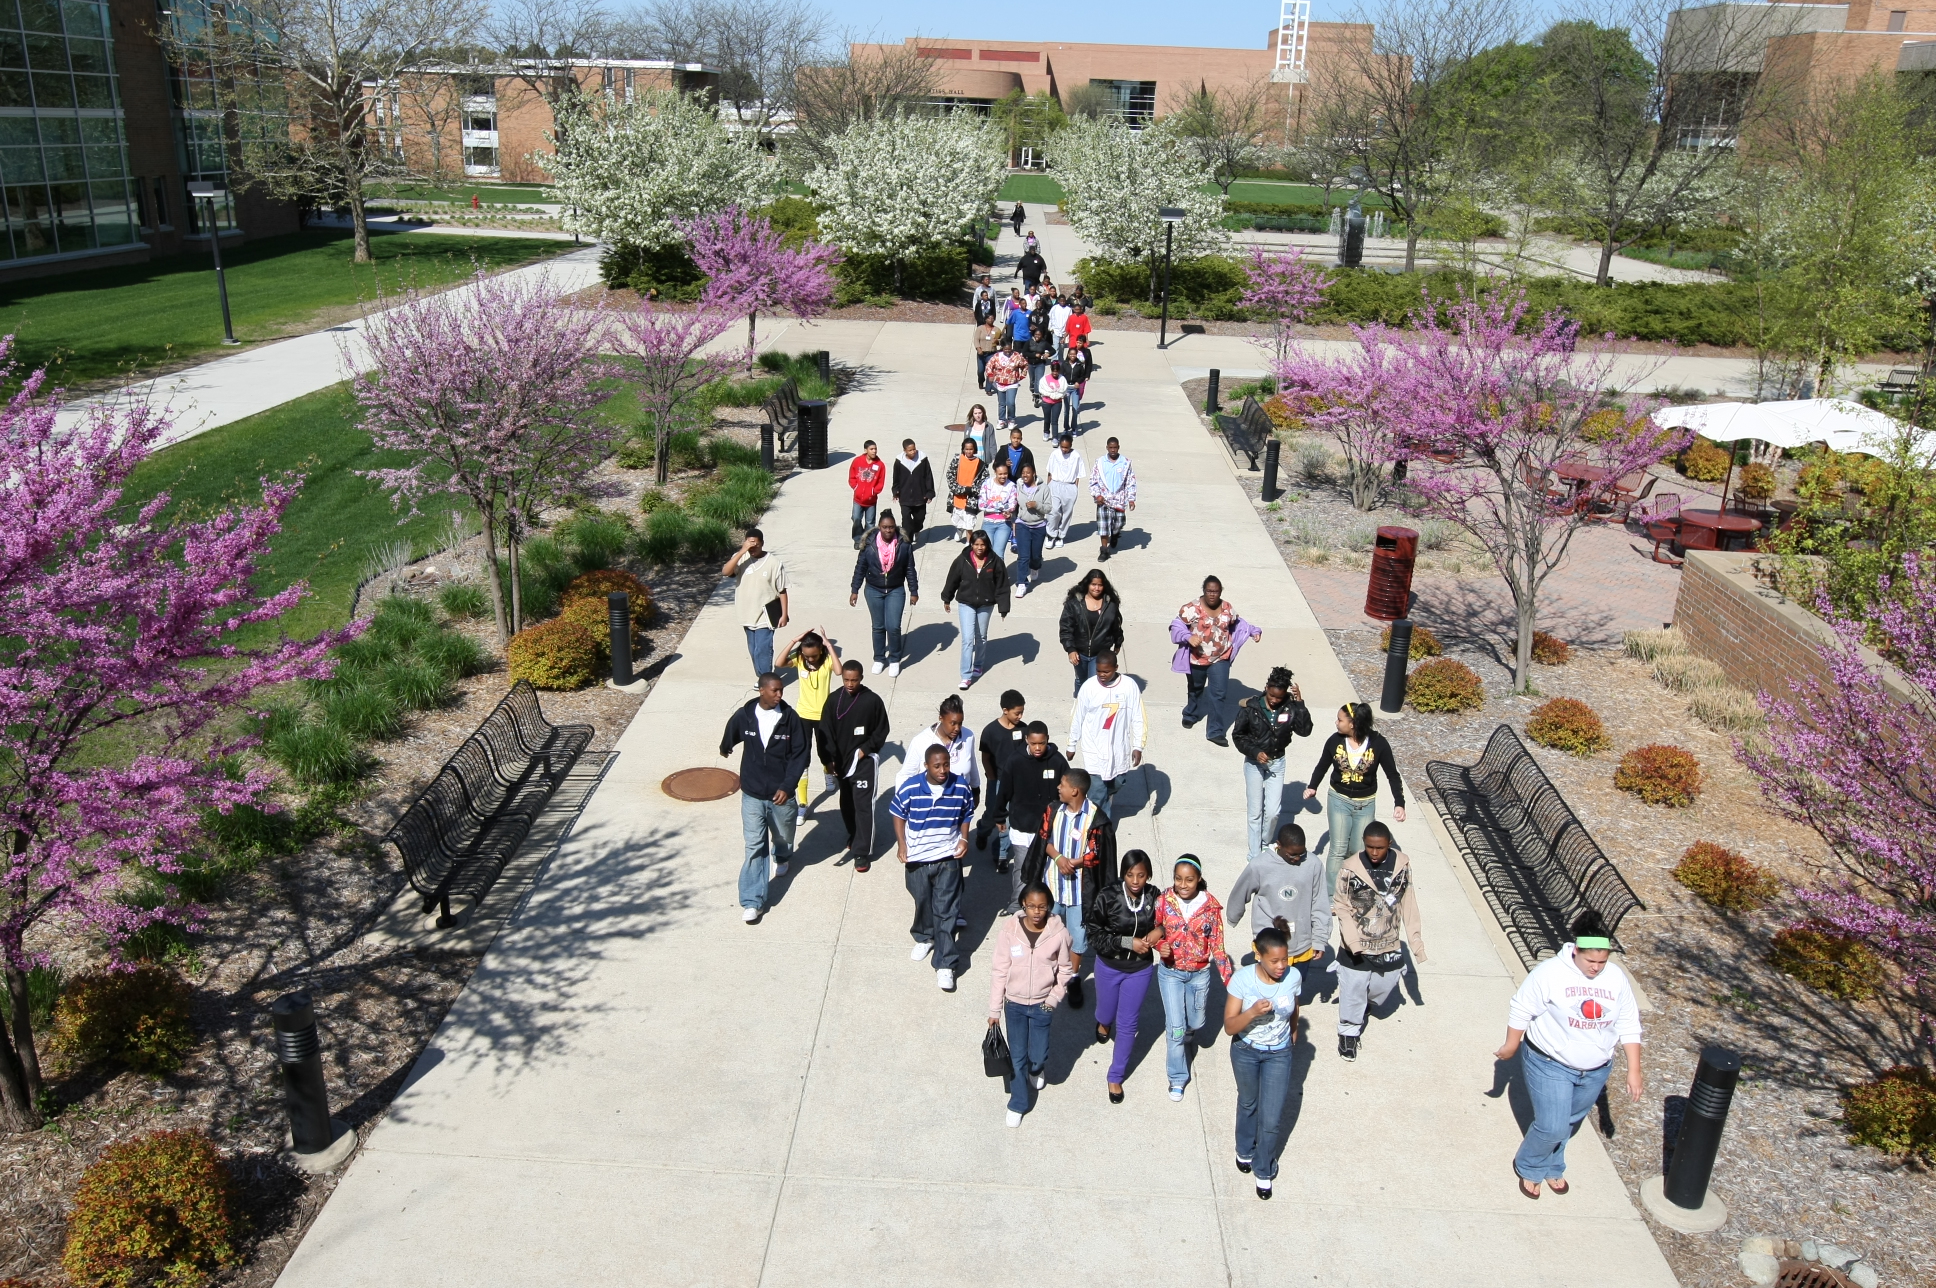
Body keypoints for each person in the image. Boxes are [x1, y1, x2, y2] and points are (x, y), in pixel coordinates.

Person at [1497, 909, 1644, 1200]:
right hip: (1549, 1062)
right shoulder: (1550, 973)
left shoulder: (1615, 978)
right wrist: (1511, 1045)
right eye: (1590, 961)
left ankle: (1553, 1163)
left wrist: (1634, 1070)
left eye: (1602, 962)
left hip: (1595, 1069)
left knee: (1569, 1121)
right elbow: (1522, 1007)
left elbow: (1629, 1023)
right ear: (1575, 950)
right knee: (1551, 1125)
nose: (1596, 968)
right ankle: (1529, 1165)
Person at [1021, 766, 1116, 1009]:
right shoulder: (1053, 811)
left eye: (1062, 784)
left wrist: (1075, 862)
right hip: (1052, 886)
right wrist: (1059, 859)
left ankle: (1071, 979)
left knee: (1077, 938)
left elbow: (1097, 854)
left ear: (1075, 790)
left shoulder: (1096, 819)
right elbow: (1044, 839)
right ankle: (1046, 971)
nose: (1058, 788)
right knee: (1047, 931)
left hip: (1079, 894)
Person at [718, 673, 808, 924]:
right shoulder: (745, 716)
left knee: (783, 836)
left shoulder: (790, 719)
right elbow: (732, 732)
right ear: (761, 691)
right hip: (752, 794)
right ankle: (752, 901)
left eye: (781, 690)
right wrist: (726, 746)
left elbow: (800, 755)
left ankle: (783, 856)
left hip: (781, 795)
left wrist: (788, 786)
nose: (780, 695)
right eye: (775, 691)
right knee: (755, 845)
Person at [1332, 821, 1425, 1060]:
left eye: (1380, 848)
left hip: (1389, 945)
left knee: (1381, 990)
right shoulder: (1349, 868)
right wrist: (1352, 941)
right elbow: (1341, 905)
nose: (1374, 853)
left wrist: (1415, 943)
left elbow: (1408, 901)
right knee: (1353, 989)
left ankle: (1363, 1005)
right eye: (1370, 847)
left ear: (1389, 844)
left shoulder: (1403, 866)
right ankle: (1348, 1033)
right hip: (1356, 947)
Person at [890, 745, 975, 992]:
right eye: (937, 766)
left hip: (947, 858)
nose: (943, 770)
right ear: (926, 765)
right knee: (923, 900)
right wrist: (901, 844)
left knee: (947, 910)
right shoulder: (910, 787)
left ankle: (946, 964)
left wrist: (964, 839)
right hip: (917, 859)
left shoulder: (960, 786)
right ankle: (925, 935)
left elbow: (967, 813)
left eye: (946, 764)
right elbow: (897, 813)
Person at [1224, 925, 1301, 1199]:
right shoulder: (1242, 980)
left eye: (1285, 959)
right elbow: (1230, 1026)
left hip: (1279, 1054)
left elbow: (1294, 1005)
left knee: (1271, 1116)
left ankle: (1264, 1169)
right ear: (1259, 955)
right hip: (1246, 1049)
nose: (1282, 966)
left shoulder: (1293, 977)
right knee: (1248, 1103)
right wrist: (1253, 1012)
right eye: (1275, 961)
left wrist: (1293, 1030)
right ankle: (1244, 1149)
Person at [989, 880, 1074, 1127]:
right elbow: (999, 971)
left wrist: (1052, 999)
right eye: (1031, 906)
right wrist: (995, 1009)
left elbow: (1066, 971)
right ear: (1023, 905)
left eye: (1042, 907)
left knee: (1037, 1054)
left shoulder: (1059, 934)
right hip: (1014, 1005)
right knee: (1017, 1056)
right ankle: (1018, 1103)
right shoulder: (1009, 931)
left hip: (1042, 1005)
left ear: (1049, 907)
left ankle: (1036, 1069)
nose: (1037, 912)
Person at [1303, 703, 1408, 894]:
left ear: (1352, 723)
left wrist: (1399, 803)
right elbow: (1322, 766)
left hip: (1365, 804)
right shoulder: (1334, 741)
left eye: (1340, 719)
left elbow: (1392, 774)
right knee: (1338, 849)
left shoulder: (1379, 744)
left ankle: (1352, 889)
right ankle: (1331, 896)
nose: (1336, 723)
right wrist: (1312, 786)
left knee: (1358, 849)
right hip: (1339, 800)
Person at [1153, 855, 1233, 1100]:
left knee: (1195, 1022)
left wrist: (1232, 983)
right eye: (1178, 879)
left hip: (1199, 975)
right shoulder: (1164, 901)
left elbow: (1218, 947)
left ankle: (1190, 1029)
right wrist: (1161, 945)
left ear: (1199, 879)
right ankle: (1177, 1077)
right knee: (1175, 1028)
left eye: (1189, 880)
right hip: (1171, 974)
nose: (1183, 885)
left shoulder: (1210, 908)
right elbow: (1155, 930)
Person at [1086, 849, 1162, 1103]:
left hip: (1139, 970)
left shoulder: (1155, 897)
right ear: (1123, 875)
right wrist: (1128, 942)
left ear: (1148, 875)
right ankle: (1103, 1022)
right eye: (1130, 875)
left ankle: (1115, 1076)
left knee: (1128, 1023)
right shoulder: (1107, 896)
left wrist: (1159, 931)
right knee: (1106, 1012)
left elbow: (1168, 922)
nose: (1135, 881)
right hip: (1109, 966)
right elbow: (1094, 934)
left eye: (1141, 875)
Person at [1227, 823, 1330, 998]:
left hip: (1301, 942)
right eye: (1292, 854)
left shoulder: (1313, 864)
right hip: (1269, 938)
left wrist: (1320, 939)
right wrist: (1233, 915)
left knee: (1293, 990)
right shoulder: (1260, 865)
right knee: (1268, 990)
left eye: (1301, 853)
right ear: (1279, 845)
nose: (1297, 858)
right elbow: (1241, 891)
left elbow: (1319, 903)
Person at [1168, 575, 1263, 747]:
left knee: (1218, 694)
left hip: (1221, 657)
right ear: (1204, 591)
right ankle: (1190, 714)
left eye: (1216, 591)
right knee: (1196, 689)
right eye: (1209, 591)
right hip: (1196, 658)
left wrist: (1253, 631)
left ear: (1220, 592)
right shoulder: (1191, 608)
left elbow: (1238, 623)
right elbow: (1176, 625)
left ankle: (1215, 731)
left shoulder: (1227, 608)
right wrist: (1188, 636)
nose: (1212, 594)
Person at [1231, 668, 1313, 859]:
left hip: (1277, 763)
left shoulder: (1290, 707)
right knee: (1255, 811)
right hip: (1254, 764)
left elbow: (1305, 730)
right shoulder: (1250, 707)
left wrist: (1300, 703)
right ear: (1266, 688)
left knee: (1274, 812)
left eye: (1279, 697)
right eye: (1271, 695)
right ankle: (1254, 854)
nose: (1274, 700)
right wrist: (1255, 751)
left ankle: (1264, 843)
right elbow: (1238, 736)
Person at [993, 721, 1068, 913]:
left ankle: (1046, 906)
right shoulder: (1015, 761)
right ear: (1026, 740)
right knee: (1022, 868)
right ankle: (1018, 904)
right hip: (1022, 826)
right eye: (1033, 743)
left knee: (1046, 869)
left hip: (1050, 829)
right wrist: (1000, 816)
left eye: (1041, 743)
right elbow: (1004, 791)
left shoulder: (1058, 761)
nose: (1037, 748)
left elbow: (1068, 790)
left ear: (1047, 740)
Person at [821, 659, 889, 870]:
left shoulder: (872, 701)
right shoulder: (833, 701)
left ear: (861, 678)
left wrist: (865, 750)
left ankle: (862, 852)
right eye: (846, 680)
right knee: (847, 803)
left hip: (864, 761)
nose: (850, 684)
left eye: (854, 680)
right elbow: (825, 732)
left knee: (863, 806)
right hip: (841, 762)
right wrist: (828, 759)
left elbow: (882, 730)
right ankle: (854, 834)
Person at [1066, 651, 1145, 814]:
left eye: (1106, 672)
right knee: (1097, 793)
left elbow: (1139, 717)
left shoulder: (1129, 686)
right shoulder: (1089, 687)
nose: (1101, 675)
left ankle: (1102, 799)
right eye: (1098, 671)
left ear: (1116, 668)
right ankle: (1100, 832)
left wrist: (1138, 746)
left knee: (1118, 782)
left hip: (1118, 747)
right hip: (1093, 747)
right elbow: (1077, 716)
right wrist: (1072, 744)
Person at [777, 627, 840, 824]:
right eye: (806, 655)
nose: (810, 659)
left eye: (813, 656)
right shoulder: (799, 659)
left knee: (825, 752)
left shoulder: (827, 659)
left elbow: (839, 671)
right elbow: (778, 663)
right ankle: (802, 805)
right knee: (802, 758)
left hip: (824, 716)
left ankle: (828, 774)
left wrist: (829, 645)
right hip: (802, 716)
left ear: (820, 651)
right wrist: (794, 641)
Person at [849, 509, 918, 676]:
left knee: (893, 627)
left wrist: (913, 590)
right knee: (878, 626)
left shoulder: (904, 544)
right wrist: (855, 589)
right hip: (873, 589)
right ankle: (879, 658)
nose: (888, 530)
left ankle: (894, 659)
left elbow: (910, 569)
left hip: (895, 589)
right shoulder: (868, 544)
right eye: (885, 527)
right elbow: (860, 567)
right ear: (879, 527)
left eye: (891, 527)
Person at [940, 529, 1010, 690]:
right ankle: (966, 675)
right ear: (971, 545)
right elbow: (952, 579)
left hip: (986, 604)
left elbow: (1002, 585)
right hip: (966, 603)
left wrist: (1003, 607)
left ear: (987, 545)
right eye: (976, 544)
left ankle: (978, 664)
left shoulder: (995, 561)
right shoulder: (962, 560)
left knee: (981, 637)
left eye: (983, 545)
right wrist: (947, 598)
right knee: (967, 639)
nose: (979, 548)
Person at [723, 528, 787, 677]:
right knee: (753, 650)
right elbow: (726, 572)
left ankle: (766, 679)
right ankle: (761, 677)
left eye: (756, 545)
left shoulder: (774, 563)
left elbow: (782, 590)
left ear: (762, 544)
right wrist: (741, 551)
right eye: (749, 545)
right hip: (746, 613)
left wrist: (784, 614)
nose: (753, 548)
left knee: (763, 649)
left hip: (766, 615)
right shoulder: (741, 558)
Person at [976, 689, 1029, 870]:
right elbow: (986, 757)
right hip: (997, 782)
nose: (1020, 716)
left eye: (1022, 712)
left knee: (1007, 820)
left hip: (1016, 783)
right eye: (1017, 713)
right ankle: (982, 830)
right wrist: (992, 779)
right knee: (992, 815)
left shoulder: (1023, 730)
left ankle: (1001, 855)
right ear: (1005, 710)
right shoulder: (991, 731)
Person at [895, 694, 982, 795]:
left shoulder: (968, 736)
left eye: (960, 723)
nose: (957, 728)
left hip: (959, 801)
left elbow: (972, 765)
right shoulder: (920, 741)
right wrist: (902, 801)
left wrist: (976, 789)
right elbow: (905, 775)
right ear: (941, 718)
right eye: (953, 723)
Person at [1059, 567, 1123, 696]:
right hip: (1079, 653)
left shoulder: (1109, 604)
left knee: (1095, 682)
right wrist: (1071, 649)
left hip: (1100, 653)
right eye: (1094, 584)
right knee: (1080, 680)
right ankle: (1079, 704)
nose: (1097, 588)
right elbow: (1066, 628)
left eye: (1100, 585)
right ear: (1087, 584)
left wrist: (1118, 642)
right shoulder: (1074, 603)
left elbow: (1116, 625)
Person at [1089, 437, 1136, 562]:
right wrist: (1097, 495)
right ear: (1107, 448)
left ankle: (1115, 534)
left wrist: (1131, 499)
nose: (1113, 450)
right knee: (1103, 526)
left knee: (1119, 523)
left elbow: (1130, 482)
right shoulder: (1099, 462)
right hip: (1103, 500)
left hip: (1119, 500)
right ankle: (1104, 550)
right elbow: (1093, 481)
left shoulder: (1125, 463)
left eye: (1115, 447)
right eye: (1111, 447)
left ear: (1118, 447)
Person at [1011, 462, 1049, 596]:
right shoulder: (1018, 486)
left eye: (1028, 472)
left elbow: (1049, 508)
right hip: (1023, 525)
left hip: (1039, 526)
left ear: (1034, 473)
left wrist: (1036, 505)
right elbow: (1013, 503)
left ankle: (1035, 567)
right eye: (1023, 473)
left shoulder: (1044, 488)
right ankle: (1021, 583)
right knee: (1023, 556)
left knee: (1035, 556)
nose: (1025, 475)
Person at [1044, 432, 1085, 548]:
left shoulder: (1076, 456)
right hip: (1055, 484)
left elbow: (1078, 474)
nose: (1064, 449)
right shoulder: (1055, 454)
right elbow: (1050, 472)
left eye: (1066, 447)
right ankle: (1051, 534)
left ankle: (1060, 535)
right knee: (1054, 511)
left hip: (1069, 486)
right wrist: (1048, 486)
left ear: (1071, 445)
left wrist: (1075, 488)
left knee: (1066, 513)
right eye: (1062, 446)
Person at [892, 439, 934, 545]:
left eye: (914, 449)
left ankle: (916, 529)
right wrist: (896, 491)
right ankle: (907, 543)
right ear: (904, 450)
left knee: (920, 517)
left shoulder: (922, 459)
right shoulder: (899, 461)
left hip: (920, 496)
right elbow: (896, 477)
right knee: (906, 521)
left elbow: (928, 476)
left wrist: (929, 493)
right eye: (910, 450)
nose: (913, 452)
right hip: (905, 497)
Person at [944, 436, 985, 544]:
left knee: (969, 521)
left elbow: (984, 481)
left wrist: (972, 489)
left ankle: (968, 541)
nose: (968, 451)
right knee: (958, 517)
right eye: (966, 449)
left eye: (971, 449)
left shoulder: (980, 464)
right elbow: (950, 475)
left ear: (975, 449)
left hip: (971, 498)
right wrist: (959, 489)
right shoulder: (957, 459)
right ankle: (959, 529)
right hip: (958, 496)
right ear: (963, 449)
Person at [977, 459, 1018, 560]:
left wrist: (991, 504)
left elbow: (1012, 506)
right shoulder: (987, 484)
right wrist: (1002, 506)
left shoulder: (1012, 486)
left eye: (1005, 473)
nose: (1003, 476)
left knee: (998, 554)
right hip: (988, 522)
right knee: (986, 552)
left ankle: (999, 575)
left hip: (1004, 524)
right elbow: (981, 505)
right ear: (995, 472)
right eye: (1000, 474)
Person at [848, 440, 886, 549]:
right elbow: (852, 476)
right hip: (858, 499)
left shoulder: (880, 465)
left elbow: (880, 482)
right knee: (856, 519)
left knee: (870, 523)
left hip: (871, 500)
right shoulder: (857, 461)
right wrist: (856, 487)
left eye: (875, 449)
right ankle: (857, 539)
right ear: (866, 450)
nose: (874, 451)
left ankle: (868, 541)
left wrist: (874, 492)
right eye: (871, 449)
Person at [987, 341, 1028, 429]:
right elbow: (989, 365)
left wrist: (1021, 376)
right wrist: (990, 375)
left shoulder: (1017, 356)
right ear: (1002, 348)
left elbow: (1025, 365)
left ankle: (1011, 419)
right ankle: (1001, 420)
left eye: (1009, 349)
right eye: (1006, 349)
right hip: (999, 383)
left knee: (1010, 403)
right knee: (1002, 403)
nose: (1008, 351)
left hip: (1012, 384)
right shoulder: (997, 356)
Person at [1063, 336, 1095, 431]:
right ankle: (1066, 427)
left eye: (1080, 343)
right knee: (1066, 410)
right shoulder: (1072, 350)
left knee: (1080, 392)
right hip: (1070, 382)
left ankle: (1077, 402)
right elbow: (1065, 363)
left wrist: (1087, 375)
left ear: (1084, 343)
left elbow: (1089, 364)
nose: (1078, 344)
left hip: (1081, 376)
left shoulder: (1087, 352)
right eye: (1077, 342)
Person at [1038, 360, 1069, 442]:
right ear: (1051, 370)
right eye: (1053, 371)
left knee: (1054, 421)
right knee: (1047, 419)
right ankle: (1046, 432)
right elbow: (1041, 390)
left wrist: (1057, 396)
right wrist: (1050, 395)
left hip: (1057, 402)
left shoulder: (1062, 379)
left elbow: (1064, 391)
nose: (1055, 373)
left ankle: (1055, 437)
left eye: (1057, 371)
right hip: (1046, 402)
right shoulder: (1044, 379)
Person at [973, 313, 1001, 389]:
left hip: (991, 353)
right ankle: (981, 381)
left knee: (990, 371)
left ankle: (988, 389)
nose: (991, 320)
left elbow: (1002, 341)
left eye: (992, 318)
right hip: (981, 353)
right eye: (989, 318)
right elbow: (976, 339)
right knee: (980, 371)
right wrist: (978, 348)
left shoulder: (997, 330)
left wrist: (998, 341)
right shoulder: (980, 328)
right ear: (985, 319)